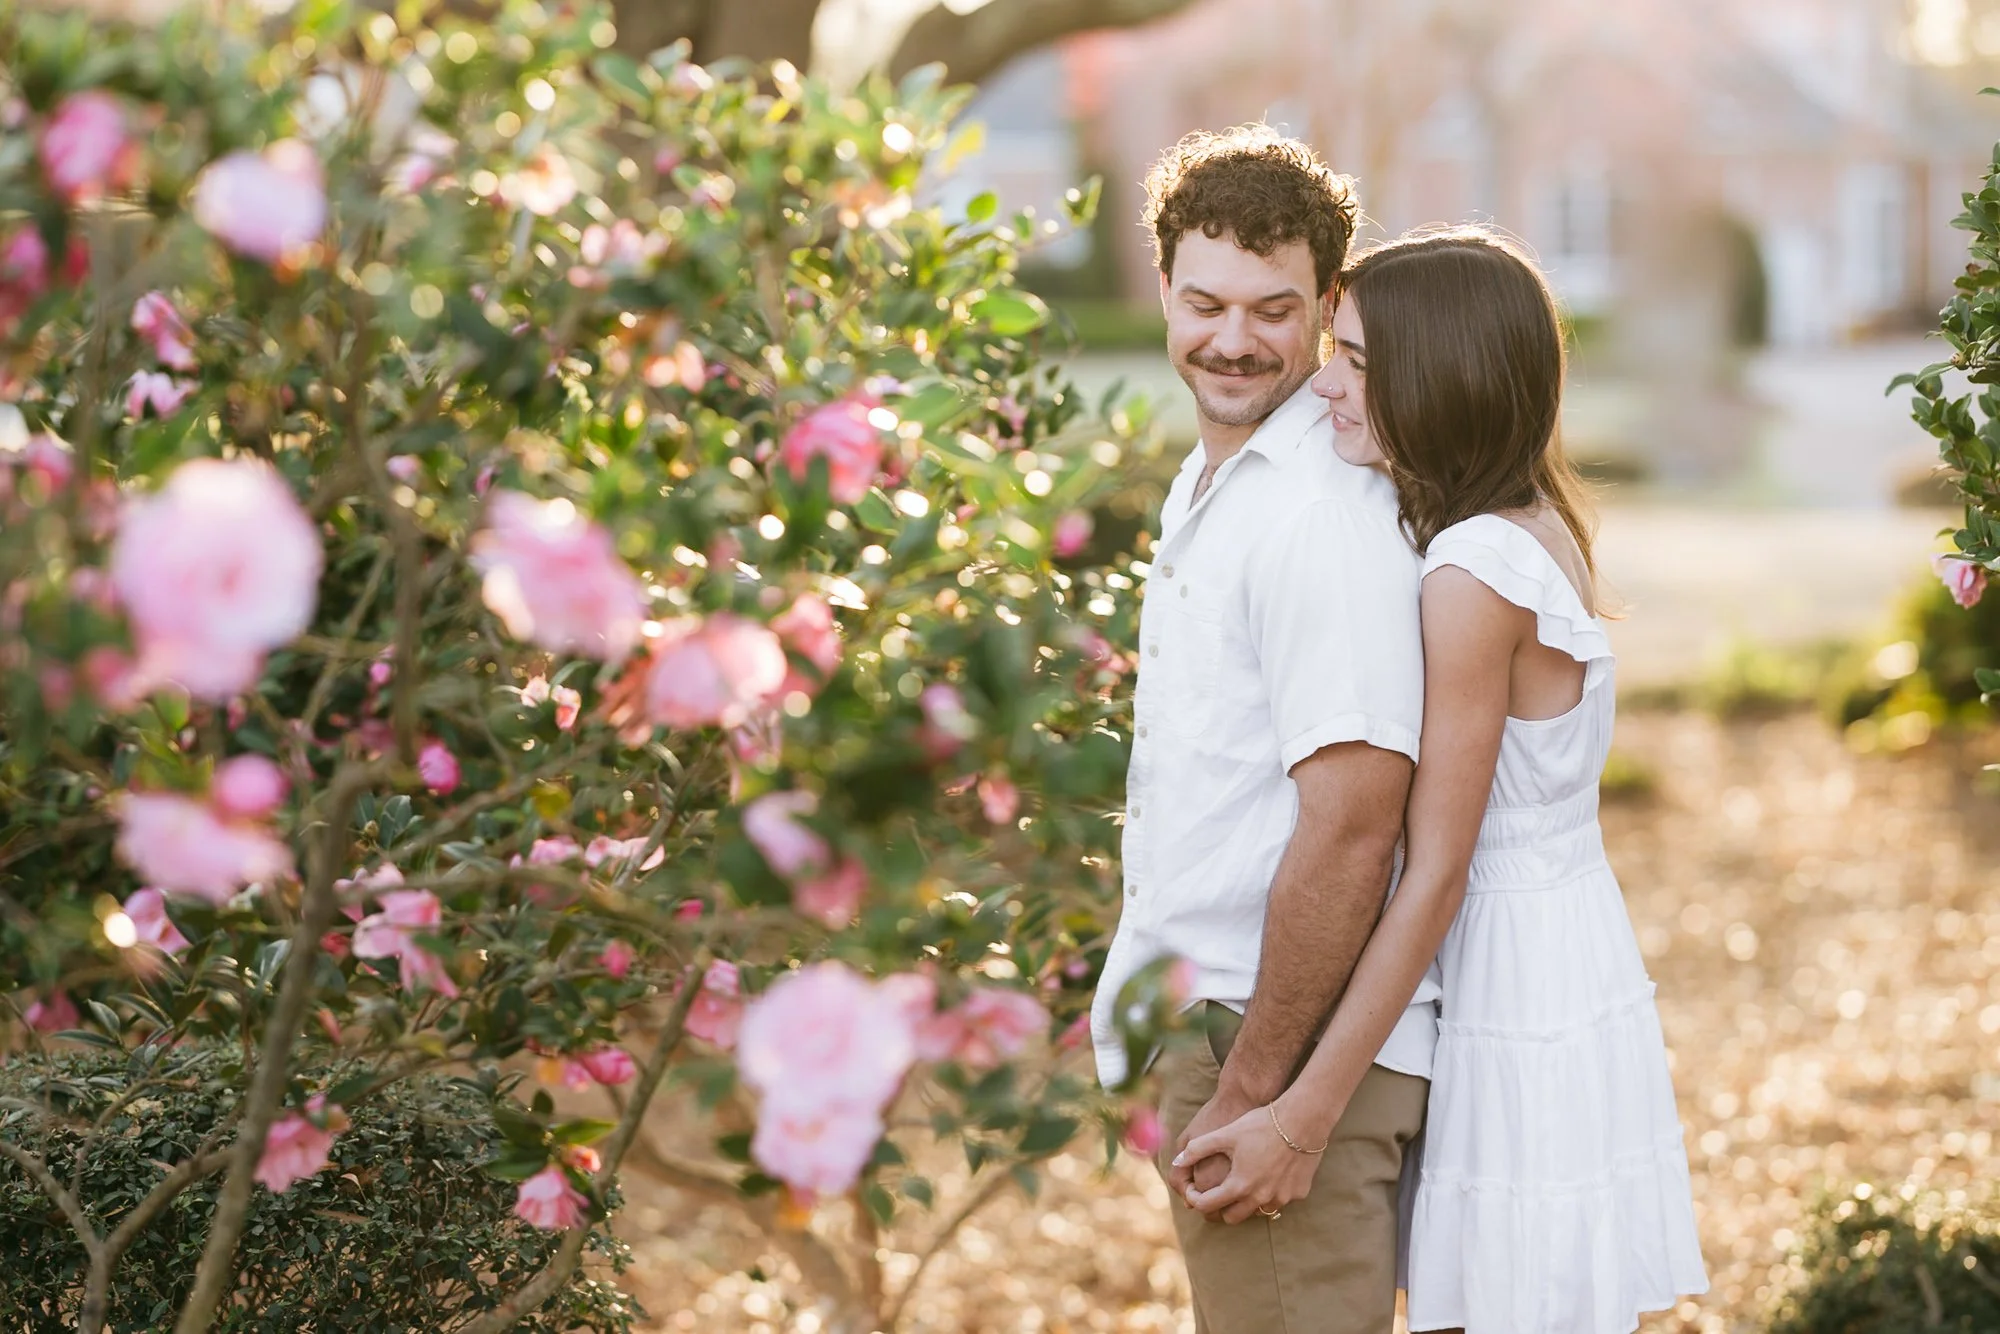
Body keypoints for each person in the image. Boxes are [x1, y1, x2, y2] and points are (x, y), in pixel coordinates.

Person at [1176, 227, 1710, 1333]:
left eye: (1360, 360)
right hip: (1565, 932)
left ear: (1444, 376)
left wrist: (1299, 1110)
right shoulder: (1527, 521)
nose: (1325, 379)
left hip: (1510, 974)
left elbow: (1434, 871)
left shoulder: (1469, 572)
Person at [1087, 124, 1441, 1333]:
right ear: (1163, 289)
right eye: (1204, 302)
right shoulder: (1219, 480)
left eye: (1272, 309)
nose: (1231, 339)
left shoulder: (1317, 515)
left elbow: (1352, 824)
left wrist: (1254, 1091)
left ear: (1329, 304)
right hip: (1227, 1020)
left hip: (1275, 1042)